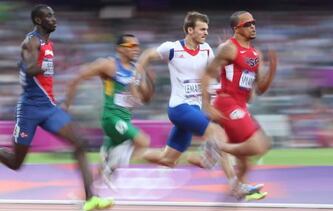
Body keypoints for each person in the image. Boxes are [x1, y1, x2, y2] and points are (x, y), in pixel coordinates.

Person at [0, 4, 112, 211]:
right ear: (38, 21)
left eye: (53, 15)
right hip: (29, 110)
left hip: (49, 107)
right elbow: (30, 68)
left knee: (80, 142)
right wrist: (40, 65)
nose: (54, 19)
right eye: (49, 16)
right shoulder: (31, 41)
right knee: (16, 163)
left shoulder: (48, 43)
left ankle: (91, 198)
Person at [138, 11, 263, 199]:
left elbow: (214, 74)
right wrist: (140, 73)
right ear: (190, 30)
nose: (206, 33)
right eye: (202, 29)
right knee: (217, 132)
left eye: (207, 29)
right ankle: (235, 186)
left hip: (196, 109)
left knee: (168, 159)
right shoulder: (172, 48)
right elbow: (148, 54)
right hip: (179, 108)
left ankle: (136, 152)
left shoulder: (206, 50)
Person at [200, 11, 277, 199]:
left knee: (245, 165)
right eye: (248, 24)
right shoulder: (228, 48)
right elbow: (208, 75)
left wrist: (272, 69)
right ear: (237, 28)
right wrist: (206, 104)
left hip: (241, 105)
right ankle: (219, 147)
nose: (253, 26)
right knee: (259, 146)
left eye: (254, 23)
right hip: (226, 103)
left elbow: (260, 89)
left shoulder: (255, 54)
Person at [64, 34, 154, 189]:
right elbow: (78, 77)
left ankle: (88, 199)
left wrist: (147, 81)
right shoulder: (109, 65)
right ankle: (111, 165)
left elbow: (144, 98)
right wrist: (68, 104)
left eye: (137, 46)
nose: (136, 49)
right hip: (111, 118)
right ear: (120, 49)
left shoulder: (136, 70)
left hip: (125, 119)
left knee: (99, 178)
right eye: (131, 46)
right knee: (143, 142)